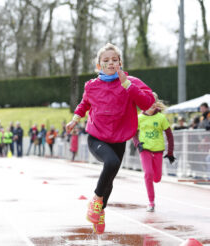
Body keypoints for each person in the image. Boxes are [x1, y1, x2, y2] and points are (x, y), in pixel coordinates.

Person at [65, 43, 154, 235]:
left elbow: (148, 103)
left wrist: (127, 85)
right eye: (106, 60)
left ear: (120, 62)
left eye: (114, 60)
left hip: (119, 138)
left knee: (110, 177)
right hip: (97, 136)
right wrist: (75, 119)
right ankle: (96, 200)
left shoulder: (131, 82)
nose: (110, 63)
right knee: (111, 163)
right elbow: (84, 103)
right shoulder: (91, 85)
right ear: (99, 65)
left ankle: (100, 210)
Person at [132, 92, 175, 212]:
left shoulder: (161, 118)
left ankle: (154, 185)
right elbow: (134, 133)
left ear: (156, 103)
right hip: (144, 149)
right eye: (149, 101)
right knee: (148, 174)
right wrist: (137, 144)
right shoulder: (139, 118)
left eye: (154, 101)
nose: (152, 104)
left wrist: (170, 152)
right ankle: (151, 202)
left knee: (157, 178)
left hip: (158, 150)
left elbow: (170, 135)